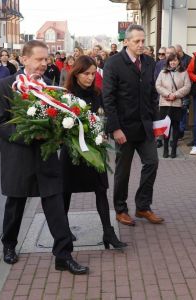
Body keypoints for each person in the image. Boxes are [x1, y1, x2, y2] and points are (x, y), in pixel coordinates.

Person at [0, 40, 88, 274]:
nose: (45, 64)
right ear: (24, 59)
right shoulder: (6, 86)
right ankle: (9, 245)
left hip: (46, 158)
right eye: (39, 59)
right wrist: (28, 134)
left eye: (47, 59)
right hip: (18, 157)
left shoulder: (50, 87)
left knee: (55, 205)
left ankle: (63, 255)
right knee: (15, 205)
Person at [62, 55, 127, 249]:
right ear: (76, 74)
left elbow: (104, 115)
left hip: (94, 149)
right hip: (72, 150)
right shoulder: (66, 95)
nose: (90, 77)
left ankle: (108, 232)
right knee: (65, 192)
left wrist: (105, 131)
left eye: (93, 73)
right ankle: (63, 230)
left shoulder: (97, 93)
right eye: (86, 74)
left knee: (100, 190)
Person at [103, 24, 163, 226]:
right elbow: (108, 98)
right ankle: (120, 209)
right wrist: (115, 128)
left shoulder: (148, 62)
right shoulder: (113, 63)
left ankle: (143, 206)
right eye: (136, 41)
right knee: (123, 171)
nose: (141, 45)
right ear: (126, 41)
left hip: (145, 127)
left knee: (152, 162)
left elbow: (152, 93)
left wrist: (157, 122)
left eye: (143, 41)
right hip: (124, 129)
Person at [156, 53, 191, 158]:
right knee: (166, 127)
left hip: (177, 104)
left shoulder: (184, 72)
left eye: (175, 60)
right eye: (171, 61)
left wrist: (175, 95)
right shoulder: (163, 72)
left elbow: (187, 86)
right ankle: (165, 149)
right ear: (168, 62)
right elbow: (158, 85)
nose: (173, 62)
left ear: (178, 61)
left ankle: (174, 150)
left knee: (176, 127)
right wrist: (168, 94)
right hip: (165, 103)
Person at [174, 44, 192, 140]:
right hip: (174, 89)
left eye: (176, 52)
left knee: (183, 111)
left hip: (184, 90)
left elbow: (190, 74)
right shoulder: (174, 59)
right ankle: (177, 131)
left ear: (180, 51)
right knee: (177, 111)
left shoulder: (189, 59)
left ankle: (181, 131)